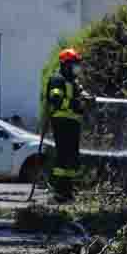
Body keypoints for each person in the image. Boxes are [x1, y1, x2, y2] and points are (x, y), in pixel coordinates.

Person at [42, 47, 86, 204]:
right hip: (61, 122)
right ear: (65, 65)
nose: (77, 67)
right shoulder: (57, 79)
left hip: (73, 122)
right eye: (74, 64)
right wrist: (75, 102)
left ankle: (68, 192)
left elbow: (81, 97)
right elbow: (56, 100)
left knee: (72, 158)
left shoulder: (74, 82)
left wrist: (85, 100)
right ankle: (58, 192)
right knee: (63, 156)